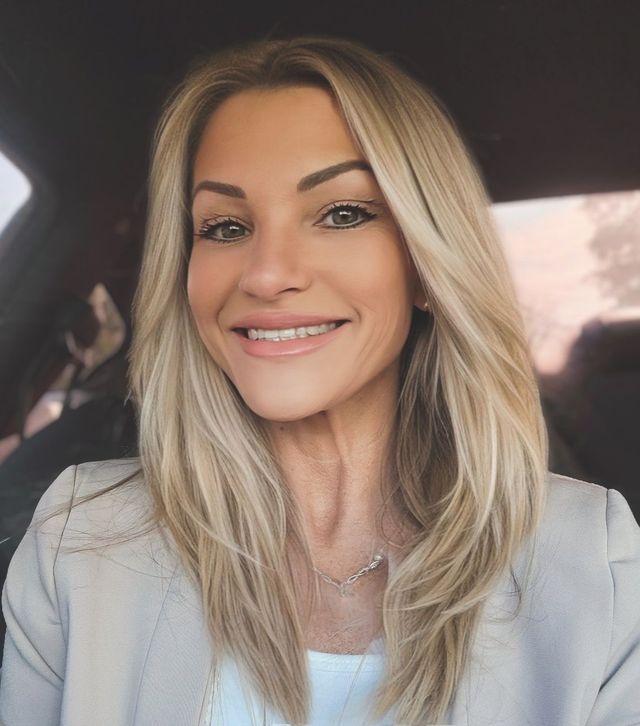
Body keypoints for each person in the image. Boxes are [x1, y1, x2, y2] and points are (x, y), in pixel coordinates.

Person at [1, 35, 639, 726]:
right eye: (225, 226)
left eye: (342, 214)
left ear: (426, 267)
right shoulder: (78, 541)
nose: (267, 273)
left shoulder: (594, 564)